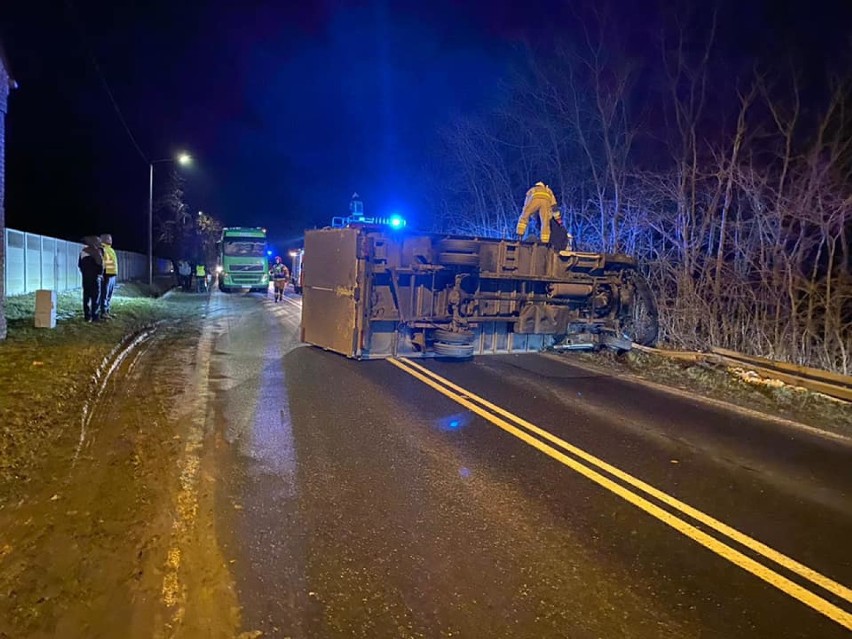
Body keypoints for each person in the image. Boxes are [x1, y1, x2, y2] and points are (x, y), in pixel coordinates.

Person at [78, 236, 104, 322]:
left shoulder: (83, 252)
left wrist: (84, 273)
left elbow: (79, 265)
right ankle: (95, 317)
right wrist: (100, 274)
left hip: (85, 278)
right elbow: (100, 265)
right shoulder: (96, 252)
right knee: (95, 297)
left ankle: (87, 316)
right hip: (95, 278)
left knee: (86, 296)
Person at [99, 234, 118, 317]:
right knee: (104, 294)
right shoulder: (102, 249)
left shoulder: (110, 249)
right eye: (109, 238)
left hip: (112, 275)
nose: (110, 240)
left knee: (109, 294)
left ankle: (107, 310)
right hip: (106, 274)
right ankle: (103, 311)